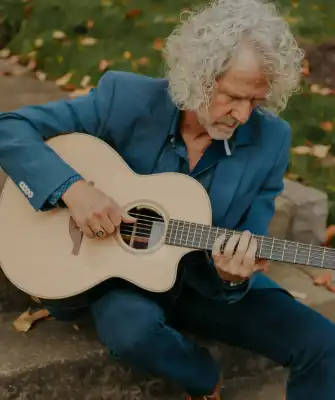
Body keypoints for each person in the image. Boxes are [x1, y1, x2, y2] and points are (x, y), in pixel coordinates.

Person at [1, 0, 335, 398]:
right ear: (198, 77)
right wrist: (73, 189)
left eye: (256, 102)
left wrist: (232, 276)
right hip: (120, 277)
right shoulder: (124, 98)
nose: (243, 115)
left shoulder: (272, 139)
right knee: (131, 331)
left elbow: (250, 234)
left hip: (204, 283)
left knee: (323, 343)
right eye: (232, 97)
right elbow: (12, 129)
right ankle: (204, 379)